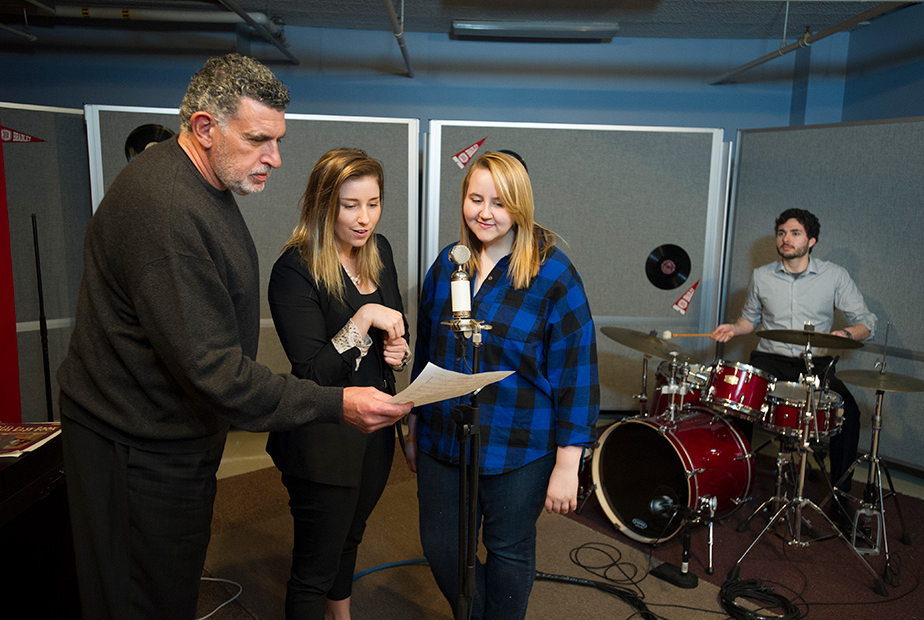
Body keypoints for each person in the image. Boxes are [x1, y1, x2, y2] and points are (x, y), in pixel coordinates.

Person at [56, 54, 412, 620]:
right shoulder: (167, 207)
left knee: (171, 585)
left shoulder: (205, 185)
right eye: (257, 140)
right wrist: (338, 402)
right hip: (133, 445)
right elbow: (216, 371)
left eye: (277, 139)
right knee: (142, 597)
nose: (274, 157)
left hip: (175, 434)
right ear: (204, 128)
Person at [405, 151, 599, 619]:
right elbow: (429, 351)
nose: (485, 213)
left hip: (520, 443)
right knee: (441, 548)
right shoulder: (448, 265)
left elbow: (577, 374)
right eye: (475, 199)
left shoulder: (554, 275)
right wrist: (413, 423)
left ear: (521, 206)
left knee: (508, 550)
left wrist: (568, 465)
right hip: (443, 438)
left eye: (499, 202)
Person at [266, 148, 409, 619]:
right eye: (351, 205)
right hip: (322, 440)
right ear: (323, 204)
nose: (365, 218)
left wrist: (398, 349)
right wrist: (364, 317)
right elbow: (311, 375)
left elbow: (393, 333)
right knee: (314, 568)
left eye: (373, 203)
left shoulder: (379, 249)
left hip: (374, 431)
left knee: (351, 536)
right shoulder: (294, 269)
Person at [711, 208, 877, 524]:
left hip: (814, 366)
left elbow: (867, 322)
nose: (786, 239)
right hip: (770, 360)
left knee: (850, 414)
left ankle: (840, 503)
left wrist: (843, 334)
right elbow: (750, 320)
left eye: (795, 233)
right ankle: (735, 485)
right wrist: (734, 328)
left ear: (812, 240)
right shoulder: (761, 275)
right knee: (737, 406)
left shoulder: (834, 275)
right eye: (782, 233)